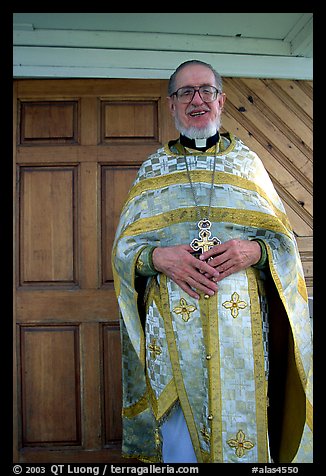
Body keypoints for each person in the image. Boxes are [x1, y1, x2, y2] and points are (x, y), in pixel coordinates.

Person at [112, 60, 313, 463]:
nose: (196, 99)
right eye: (185, 92)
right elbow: (123, 252)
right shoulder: (153, 170)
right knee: (180, 446)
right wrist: (156, 257)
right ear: (172, 105)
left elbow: (284, 242)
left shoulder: (247, 164)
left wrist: (253, 250)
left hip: (241, 337)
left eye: (205, 90)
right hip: (173, 338)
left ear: (221, 100)